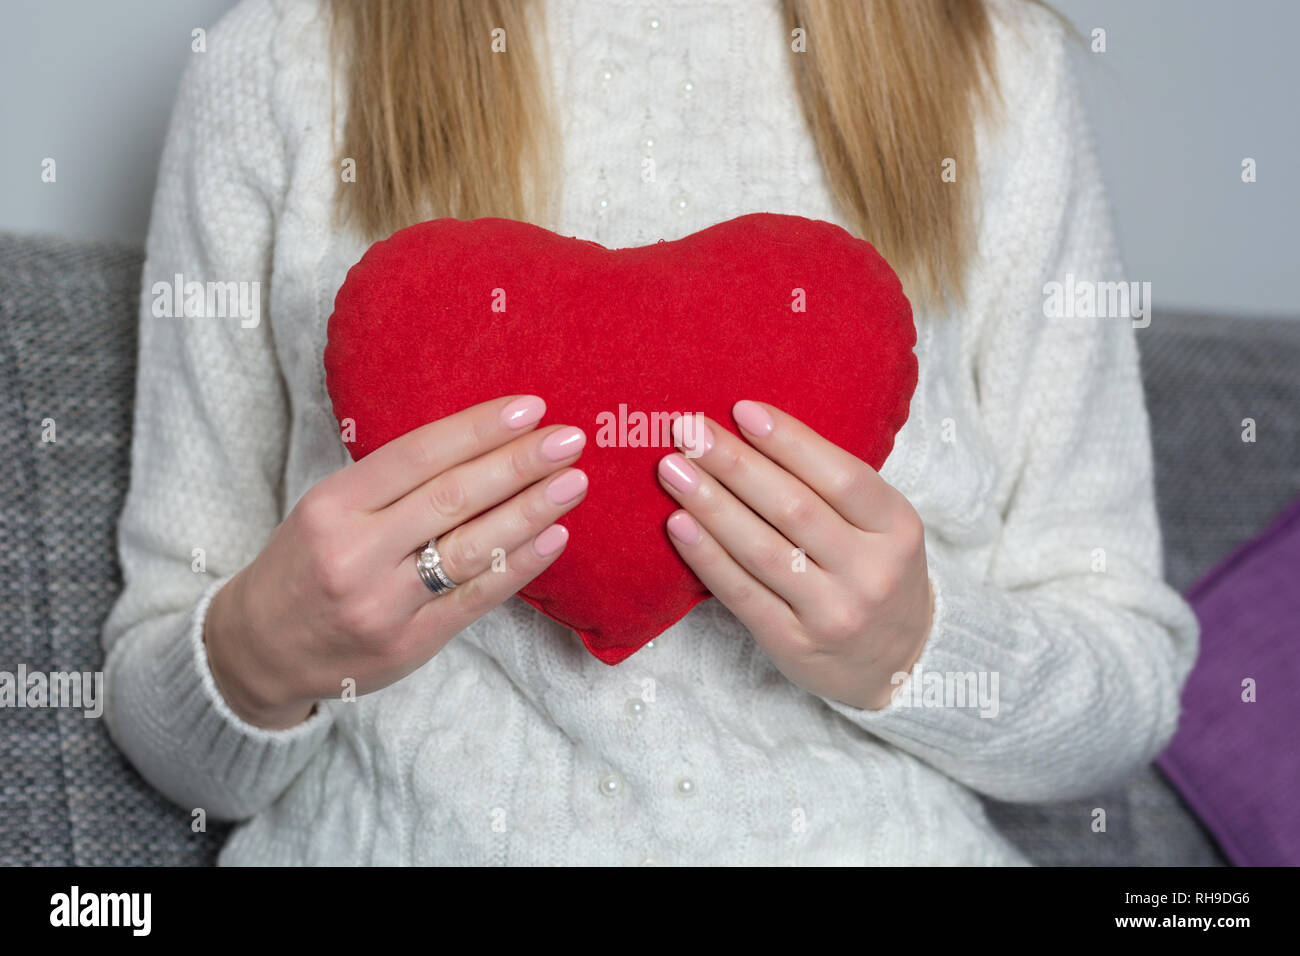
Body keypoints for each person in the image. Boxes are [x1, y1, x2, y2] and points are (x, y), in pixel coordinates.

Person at [101, 0, 1199, 864]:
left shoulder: (992, 72)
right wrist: (261, 650)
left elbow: (1128, 681)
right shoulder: (274, 63)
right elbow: (162, 710)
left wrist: (915, 648)